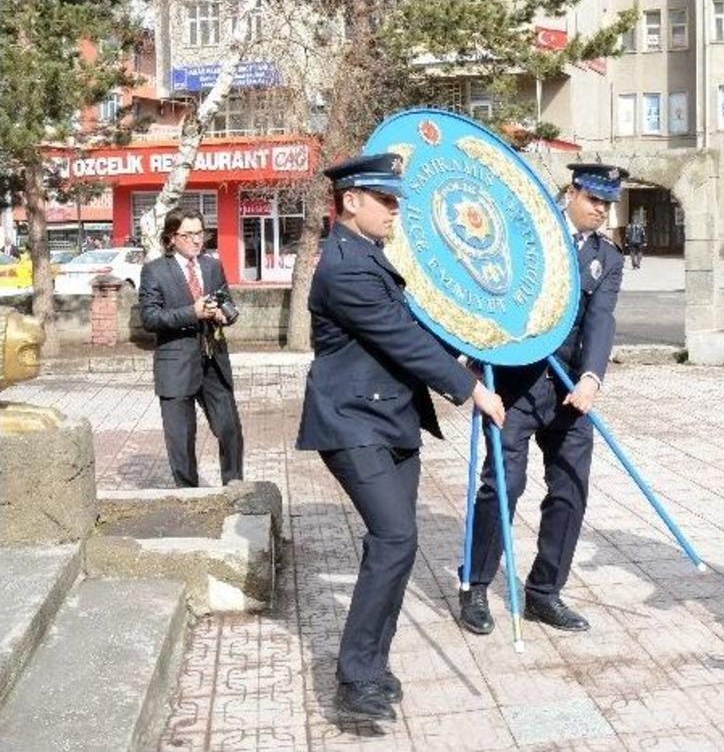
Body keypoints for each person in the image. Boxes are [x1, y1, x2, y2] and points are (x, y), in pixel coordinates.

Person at [295, 151, 505, 722]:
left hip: (390, 421)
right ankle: (355, 677)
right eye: (385, 200)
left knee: (398, 543)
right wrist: (471, 389)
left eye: (396, 200)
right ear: (350, 201)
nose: (395, 210)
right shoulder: (345, 266)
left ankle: (373, 662)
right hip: (352, 422)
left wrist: (470, 345)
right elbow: (400, 339)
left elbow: (412, 329)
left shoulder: (368, 254)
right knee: (394, 539)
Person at [458, 162, 627, 636]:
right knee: (503, 485)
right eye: (594, 199)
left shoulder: (607, 258)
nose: (601, 210)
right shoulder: (528, 236)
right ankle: (475, 585)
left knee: (571, 488)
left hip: (570, 390)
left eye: (607, 203)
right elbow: (486, 291)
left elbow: (601, 319)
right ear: (572, 192)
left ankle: (544, 593)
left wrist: (591, 377)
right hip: (512, 386)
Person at [139, 207, 243, 488]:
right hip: (176, 366)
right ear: (172, 238)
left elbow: (228, 303)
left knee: (230, 430)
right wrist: (192, 313)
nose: (197, 240)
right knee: (182, 441)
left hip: (213, 362)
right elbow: (149, 318)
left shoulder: (212, 266)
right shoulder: (155, 271)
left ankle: (235, 489)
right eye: (188, 234)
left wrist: (225, 315)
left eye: (201, 233)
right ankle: (188, 497)